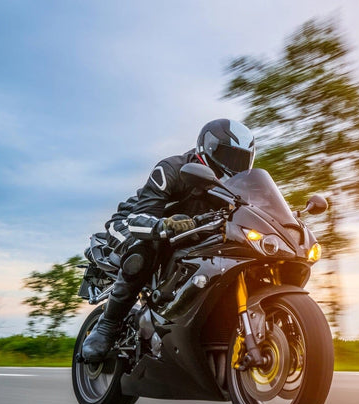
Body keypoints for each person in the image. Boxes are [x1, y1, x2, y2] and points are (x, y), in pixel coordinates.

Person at [80, 119, 255, 362]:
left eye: (241, 160)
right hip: (132, 222)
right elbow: (141, 217)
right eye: (228, 156)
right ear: (208, 148)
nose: (233, 165)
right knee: (142, 251)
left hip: (186, 234)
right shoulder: (173, 168)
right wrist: (165, 224)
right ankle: (107, 326)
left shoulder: (234, 188)